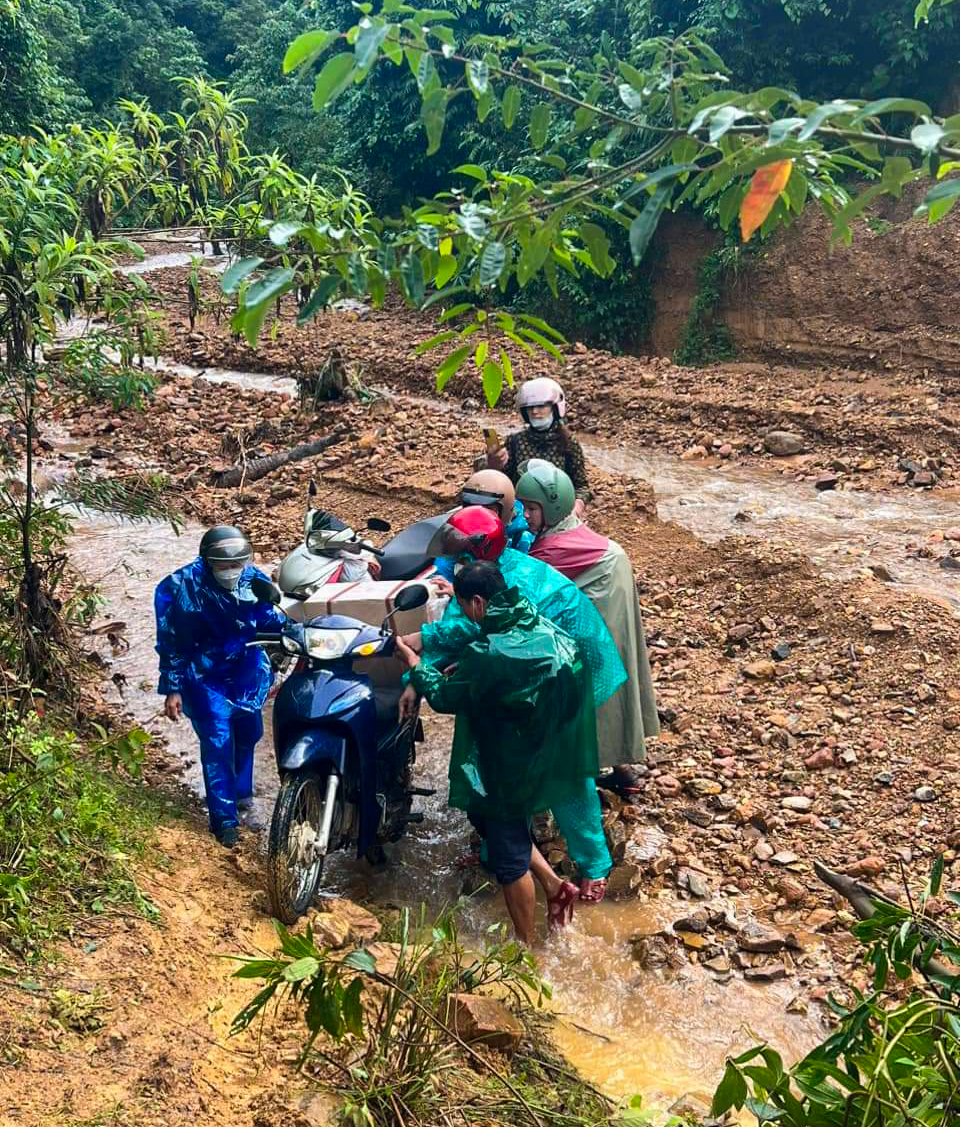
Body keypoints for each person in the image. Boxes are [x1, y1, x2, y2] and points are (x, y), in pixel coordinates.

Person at [400, 506, 625, 900]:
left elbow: (462, 641)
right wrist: (427, 649)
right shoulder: (490, 578)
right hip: (535, 674)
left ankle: (593, 866)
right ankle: (500, 849)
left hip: (562, 676)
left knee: (563, 771)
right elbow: (464, 625)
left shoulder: (509, 587)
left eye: (461, 550)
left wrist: (417, 668)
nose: (455, 558)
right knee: (502, 764)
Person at [395, 562, 595, 942]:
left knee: (508, 860)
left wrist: (414, 665)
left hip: (506, 767)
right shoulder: (536, 622)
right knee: (501, 828)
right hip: (541, 751)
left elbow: (444, 697)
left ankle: (528, 947)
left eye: (466, 607)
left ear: (477, 602)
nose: (467, 615)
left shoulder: (490, 653)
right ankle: (555, 886)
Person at [517, 461, 661, 886]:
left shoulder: (548, 555)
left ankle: (581, 851)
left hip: (585, 656)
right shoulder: (587, 539)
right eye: (522, 509)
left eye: (532, 509)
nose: (527, 518)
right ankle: (613, 764)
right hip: (605, 635)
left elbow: (527, 593)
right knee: (609, 694)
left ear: (551, 506)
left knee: (570, 725)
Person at [155, 525, 285, 847]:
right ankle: (224, 823)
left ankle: (243, 796)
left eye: (236, 565)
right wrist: (172, 687)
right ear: (208, 562)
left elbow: (268, 621)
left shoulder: (252, 579)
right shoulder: (181, 588)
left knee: (250, 734)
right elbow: (171, 642)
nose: (231, 572)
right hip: (203, 677)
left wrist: (278, 609)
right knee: (217, 745)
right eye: (223, 566)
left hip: (245, 672)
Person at [487, 377, 590, 514]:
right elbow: (502, 481)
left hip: (556, 511)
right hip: (521, 512)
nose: (535, 412)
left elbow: (581, 486)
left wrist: (576, 508)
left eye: (541, 406)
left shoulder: (569, 443)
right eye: (530, 408)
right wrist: (494, 464)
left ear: (555, 408)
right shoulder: (515, 441)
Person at [433, 469, 533, 583]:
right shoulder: (460, 531)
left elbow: (517, 583)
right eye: (470, 508)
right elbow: (444, 565)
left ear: (505, 510)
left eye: (487, 510)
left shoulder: (521, 538)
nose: (478, 517)